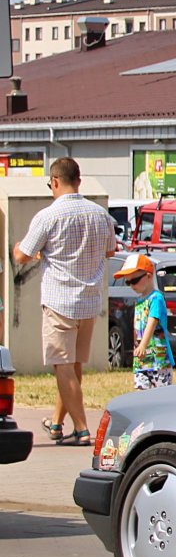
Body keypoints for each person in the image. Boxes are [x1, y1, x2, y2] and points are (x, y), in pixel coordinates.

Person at [12, 157, 117, 445]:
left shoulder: (48, 216)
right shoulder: (100, 215)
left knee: (63, 365)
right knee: (74, 364)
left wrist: (17, 247)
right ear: (79, 181)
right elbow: (111, 251)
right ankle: (57, 423)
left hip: (60, 301)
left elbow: (22, 256)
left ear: (55, 181)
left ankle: (83, 429)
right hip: (89, 302)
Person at [114, 253, 173, 390]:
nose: (131, 286)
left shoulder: (156, 298)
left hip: (158, 359)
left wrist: (143, 345)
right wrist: (137, 348)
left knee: (161, 396)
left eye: (134, 281)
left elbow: (152, 323)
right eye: (128, 282)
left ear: (148, 276)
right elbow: (137, 328)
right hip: (141, 360)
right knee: (140, 394)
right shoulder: (139, 301)